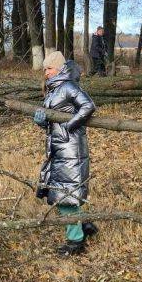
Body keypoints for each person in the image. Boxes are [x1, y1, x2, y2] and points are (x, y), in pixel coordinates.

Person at [34, 51, 97, 256]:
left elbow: (88, 106)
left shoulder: (68, 86)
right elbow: (53, 120)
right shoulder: (53, 90)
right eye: (44, 69)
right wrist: (44, 122)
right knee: (61, 191)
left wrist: (69, 126)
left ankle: (75, 242)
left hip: (71, 148)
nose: (46, 73)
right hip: (57, 147)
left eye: (49, 68)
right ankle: (84, 225)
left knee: (64, 195)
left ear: (60, 68)